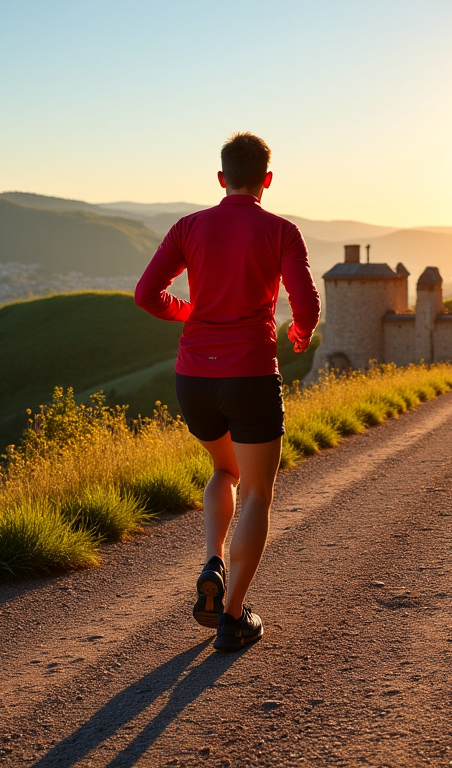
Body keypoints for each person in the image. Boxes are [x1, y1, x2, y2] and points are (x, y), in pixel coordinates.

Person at [134, 132, 320, 652]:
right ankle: (233, 617)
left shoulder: (189, 226)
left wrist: (188, 312)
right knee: (258, 491)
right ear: (267, 179)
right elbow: (304, 303)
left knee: (224, 469)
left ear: (221, 178)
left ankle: (213, 559)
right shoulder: (281, 231)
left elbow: (146, 295)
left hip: (193, 379)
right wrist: (299, 335)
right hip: (251, 376)